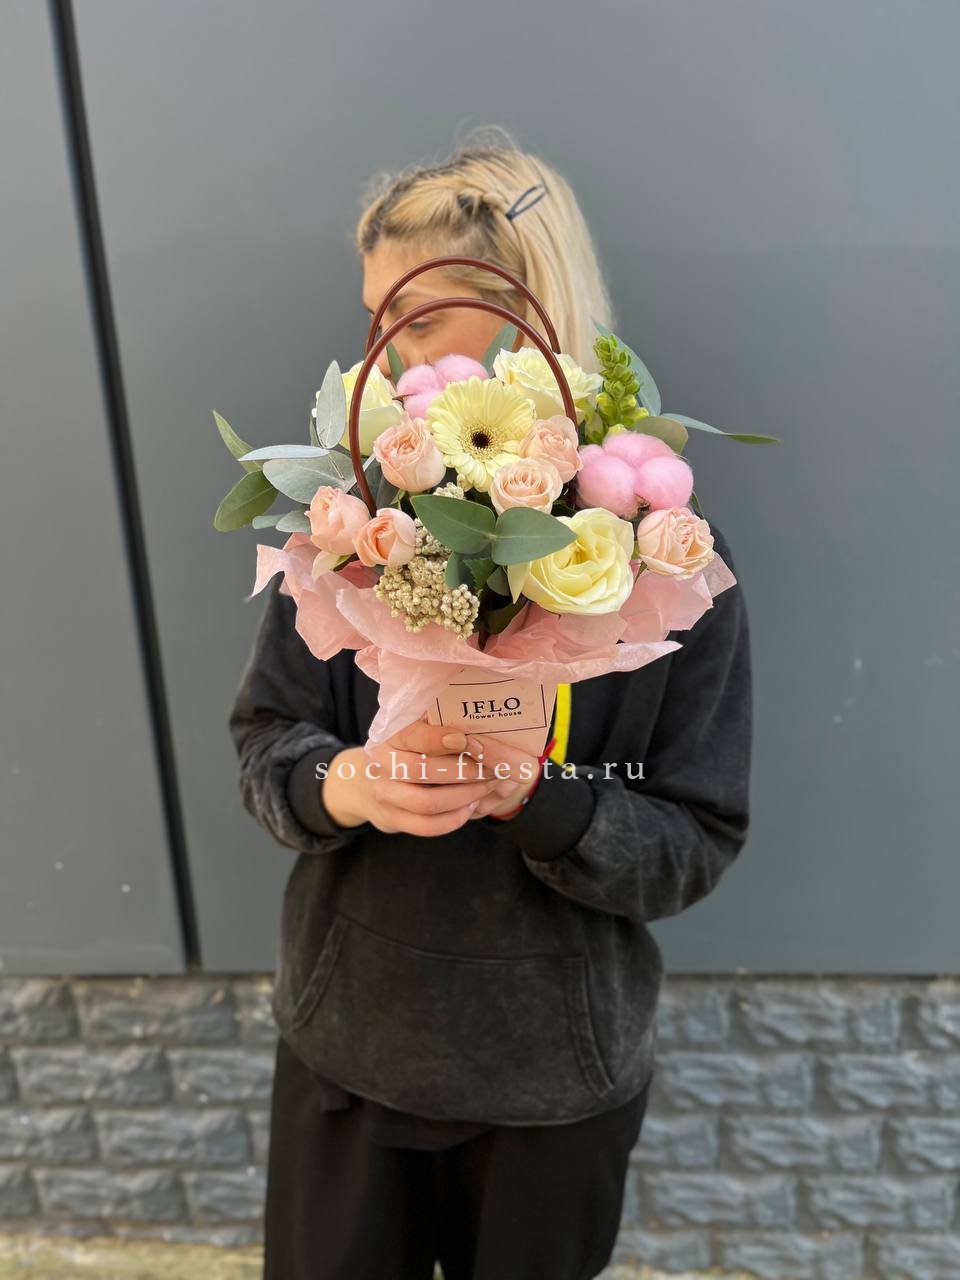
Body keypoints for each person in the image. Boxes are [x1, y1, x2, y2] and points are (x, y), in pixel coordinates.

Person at [228, 125, 753, 1280]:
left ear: (528, 314)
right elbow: (265, 741)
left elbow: (695, 839)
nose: (382, 355)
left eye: (416, 320)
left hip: (554, 1083)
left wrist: (547, 800)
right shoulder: (349, 523)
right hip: (348, 1050)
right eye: (373, 318)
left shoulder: (665, 558)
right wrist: (346, 783)